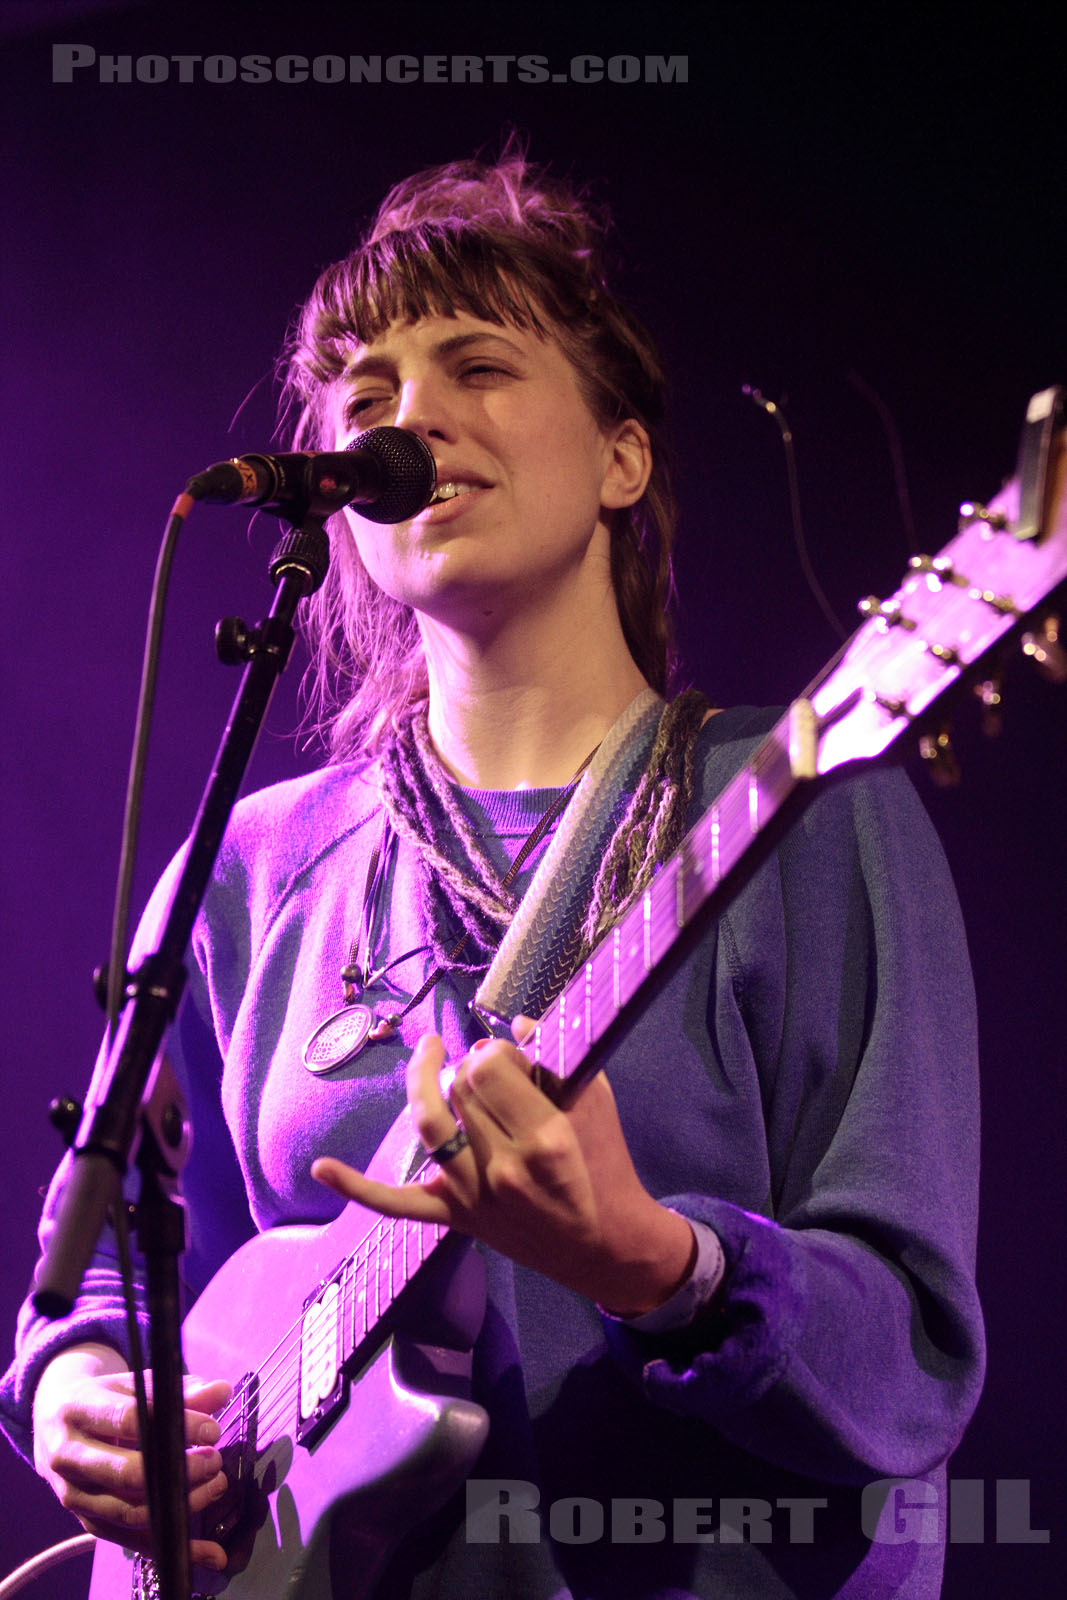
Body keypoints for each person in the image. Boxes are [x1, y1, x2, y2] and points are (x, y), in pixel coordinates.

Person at [1, 150, 984, 1598]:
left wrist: (661, 1264)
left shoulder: (807, 803)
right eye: (366, 397)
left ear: (621, 458)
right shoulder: (252, 867)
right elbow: (96, 1277)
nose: (411, 417)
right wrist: (80, 1395)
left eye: (477, 363)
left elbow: (913, 1355)